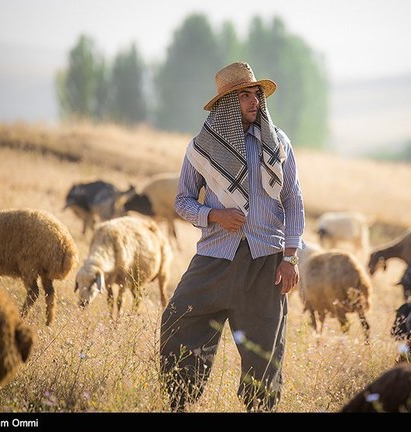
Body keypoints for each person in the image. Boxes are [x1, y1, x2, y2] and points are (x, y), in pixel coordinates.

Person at [159, 61, 305, 412]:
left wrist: (289, 258)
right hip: (214, 260)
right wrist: (213, 215)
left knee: (264, 353)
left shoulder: (278, 142)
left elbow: (293, 200)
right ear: (226, 102)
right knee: (177, 322)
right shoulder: (200, 148)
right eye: (244, 95)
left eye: (256, 93)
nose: (254, 100)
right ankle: (179, 402)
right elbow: (182, 200)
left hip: (264, 263)